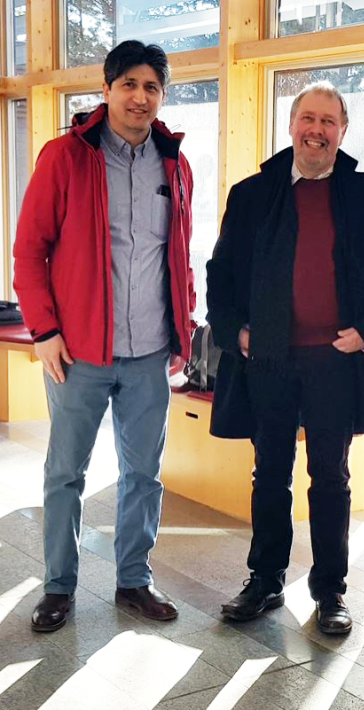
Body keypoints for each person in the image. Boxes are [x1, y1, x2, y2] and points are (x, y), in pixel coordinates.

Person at [207, 82, 364, 634]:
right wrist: (235, 332)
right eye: (307, 118)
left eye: (328, 121)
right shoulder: (253, 194)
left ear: (342, 132)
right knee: (269, 473)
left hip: (336, 362)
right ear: (291, 124)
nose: (316, 130)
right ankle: (265, 580)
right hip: (269, 359)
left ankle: (331, 592)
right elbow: (219, 274)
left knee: (331, 477)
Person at [13, 40, 195, 632]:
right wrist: (44, 330)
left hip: (149, 352)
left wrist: (183, 331)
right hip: (78, 352)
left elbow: (180, 255)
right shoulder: (66, 157)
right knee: (66, 473)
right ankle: (59, 587)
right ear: (107, 88)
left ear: (162, 94)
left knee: (144, 474)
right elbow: (28, 251)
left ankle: (133, 581)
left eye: (151, 87)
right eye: (129, 85)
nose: (140, 97)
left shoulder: (175, 163)